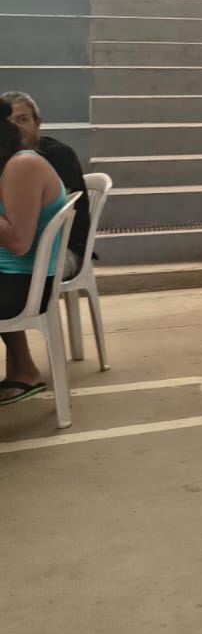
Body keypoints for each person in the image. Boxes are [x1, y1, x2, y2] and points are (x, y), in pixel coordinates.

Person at [0, 97, 70, 404]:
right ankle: (24, 369)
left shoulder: (23, 165)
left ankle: (25, 370)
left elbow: (18, 242)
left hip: (23, 285)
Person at [1, 91, 90, 279]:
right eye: (8, 123)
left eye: (22, 119)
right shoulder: (11, 160)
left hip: (63, 249)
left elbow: (44, 223)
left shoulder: (55, 155)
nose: (15, 127)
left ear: (38, 122)